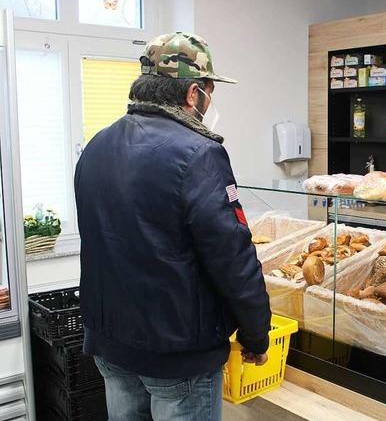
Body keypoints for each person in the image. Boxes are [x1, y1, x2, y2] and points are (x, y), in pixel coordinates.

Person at [74, 32, 271, 421]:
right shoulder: (200, 154)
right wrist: (255, 333)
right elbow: (232, 257)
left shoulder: (96, 146)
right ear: (193, 93)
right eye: (210, 92)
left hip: (110, 345)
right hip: (178, 355)